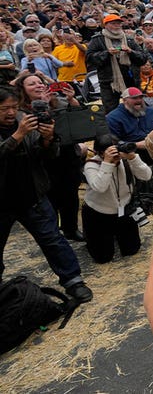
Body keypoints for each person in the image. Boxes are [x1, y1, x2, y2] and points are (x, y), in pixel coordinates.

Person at [0, 85, 93, 303]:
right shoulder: (22, 127)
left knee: (52, 239)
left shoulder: (26, 119)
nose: (11, 113)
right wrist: (18, 135)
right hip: (2, 201)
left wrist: (48, 139)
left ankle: (73, 281)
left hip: (32, 195)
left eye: (14, 107)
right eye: (5, 108)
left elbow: (46, 156)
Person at [81, 133, 152, 263]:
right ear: (100, 153)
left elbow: (146, 176)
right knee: (103, 258)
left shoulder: (125, 160)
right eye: (109, 151)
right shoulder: (91, 165)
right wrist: (107, 163)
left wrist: (133, 158)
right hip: (98, 213)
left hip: (124, 209)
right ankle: (95, 240)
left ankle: (113, 237)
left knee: (132, 250)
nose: (115, 155)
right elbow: (100, 187)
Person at [85, 13, 148, 113]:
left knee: (136, 108)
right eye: (114, 23)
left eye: (119, 23)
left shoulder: (129, 39)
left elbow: (143, 58)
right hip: (109, 82)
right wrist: (107, 53)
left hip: (131, 80)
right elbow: (89, 59)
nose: (117, 26)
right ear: (106, 25)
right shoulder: (97, 39)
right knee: (111, 111)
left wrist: (130, 52)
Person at [106, 87, 153, 153]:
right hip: (131, 153)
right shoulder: (113, 118)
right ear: (124, 100)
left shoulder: (152, 112)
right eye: (134, 98)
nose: (139, 100)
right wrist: (136, 145)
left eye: (141, 97)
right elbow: (114, 143)